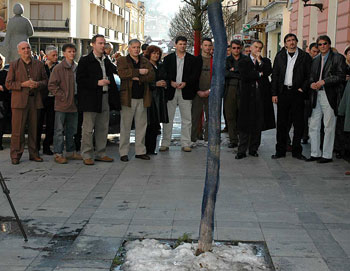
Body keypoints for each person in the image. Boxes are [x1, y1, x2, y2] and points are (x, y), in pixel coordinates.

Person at [76, 34, 118, 165]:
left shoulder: (106, 60)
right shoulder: (85, 60)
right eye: (100, 43)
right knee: (88, 128)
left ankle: (101, 153)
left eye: (104, 43)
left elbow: (115, 71)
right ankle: (87, 154)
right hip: (90, 98)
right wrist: (96, 82)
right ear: (93, 44)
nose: (102, 46)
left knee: (103, 127)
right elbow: (80, 80)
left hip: (104, 97)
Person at [5, 41, 48, 165]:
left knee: (34, 129)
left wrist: (37, 84)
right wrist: (22, 84)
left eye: (28, 48)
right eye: (23, 48)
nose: (26, 50)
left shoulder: (39, 64)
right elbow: (8, 84)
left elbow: (46, 81)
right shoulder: (14, 65)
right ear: (19, 51)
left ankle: (34, 154)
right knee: (17, 130)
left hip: (34, 101)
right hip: (19, 102)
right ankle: (15, 155)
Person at [271, 33, 312, 160]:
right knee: (282, 124)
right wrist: (274, 93)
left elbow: (309, 75)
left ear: (297, 41)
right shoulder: (280, 56)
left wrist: (302, 88)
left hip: (297, 93)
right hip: (283, 92)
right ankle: (280, 151)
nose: (291, 42)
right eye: (288, 40)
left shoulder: (304, 56)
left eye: (293, 40)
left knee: (298, 123)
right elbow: (275, 76)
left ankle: (297, 151)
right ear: (285, 43)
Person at [307, 35, 346, 163]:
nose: (322, 46)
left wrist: (324, 81)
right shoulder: (316, 59)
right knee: (313, 125)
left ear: (329, 44)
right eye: (320, 44)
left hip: (330, 95)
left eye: (325, 44)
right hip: (315, 94)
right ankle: (315, 153)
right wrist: (312, 83)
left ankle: (327, 155)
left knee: (329, 125)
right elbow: (311, 76)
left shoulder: (338, 58)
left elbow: (340, 76)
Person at [235, 40, 275, 159]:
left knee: (258, 123)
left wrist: (259, 62)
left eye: (260, 48)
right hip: (247, 96)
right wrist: (258, 74)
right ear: (251, 48)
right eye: (256, 47)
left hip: (261, 96)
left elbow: (267, 72)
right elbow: (244, 75)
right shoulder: (243, 61)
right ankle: (242, 150)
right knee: (245, 123)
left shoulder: (265, 61)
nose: (257, 49)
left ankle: (254, 148)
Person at [117, 39, 155, 162]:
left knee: (141, 126)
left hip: (142, 98)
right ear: (129, 48)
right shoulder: (122, 60)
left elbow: (151, 75)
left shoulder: (144, 60)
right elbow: (122, 73)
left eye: (138, 47)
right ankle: (123, 152)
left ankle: (140, 151)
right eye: (134, 47)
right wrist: (139, 72)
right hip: (128, 98)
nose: (136, 49)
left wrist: (137, 78)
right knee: (125, 127)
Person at [160, 36, 197, 152]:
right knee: (168, 119)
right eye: (180, 44)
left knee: (187, 119)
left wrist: (186, 83)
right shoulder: (168, 59)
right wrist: (170, 82)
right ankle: (165, 143)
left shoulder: (192, 59)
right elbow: (164, 73)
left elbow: (194, 76)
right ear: (175, 45)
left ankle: (186, 143)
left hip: (185, 91)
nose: (183, 46)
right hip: (171, 90)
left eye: (184, 44)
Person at [48, 43, 82, 164]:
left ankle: (71, 151)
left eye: (73, 51)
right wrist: (62, 96)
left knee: (72, 130)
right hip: (62, 103)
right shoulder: (58, 68)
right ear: (64, 53)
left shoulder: (77, 67)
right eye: (69, 51)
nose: (72, 53)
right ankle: (58, 153)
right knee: (59, 130)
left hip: (74, 103)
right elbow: (51, 85)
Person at [144, 45, 169, 155]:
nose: (156, 55)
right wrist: (156, 84)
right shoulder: (146, 65)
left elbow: (166, 77)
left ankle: (152, 149)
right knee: (149, 124)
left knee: (155, 125)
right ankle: (146, 149)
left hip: (159, 98)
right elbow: (144, 82)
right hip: (150, 98)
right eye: (153, 53)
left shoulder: (161, 65)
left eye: (158, 53)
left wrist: (165, 83)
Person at [191, 38, 213, 146]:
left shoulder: (214, 60)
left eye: (209, 45)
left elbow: (217, 77)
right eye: (205, 45)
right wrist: (198, 90)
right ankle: (193, 138)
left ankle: (207, 138)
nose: (207, 48)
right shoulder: (195, 60)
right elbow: (192, 77)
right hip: (197, 92)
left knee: (210, 116)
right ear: (201, 46)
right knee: (195, 116)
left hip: (211, 93)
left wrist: (210, 90)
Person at [37, 45, 58, 155]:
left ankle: (47, 146)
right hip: (42, 98)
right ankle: (36, 146)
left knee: (51, 124)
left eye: (56, 55)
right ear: (47, 56)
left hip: (53, 99)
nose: (55, 57)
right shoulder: (41, 67)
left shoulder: (58, 67)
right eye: (53, 55)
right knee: (38, 123)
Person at [225, 40, 245, 148]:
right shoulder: (227, 60)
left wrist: (233, 72)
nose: (236, 50)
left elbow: (246, 74)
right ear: (231, 48)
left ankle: (242, 139)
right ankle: (233, 140)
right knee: (230, 115)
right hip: (230, 89)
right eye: (234, 48)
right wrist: (236, 72)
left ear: (241, 48)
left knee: (242, 116)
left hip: (243, 90)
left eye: (238, 48)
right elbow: (224, 73)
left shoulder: (245, 59)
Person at [0, 53, 9, 150]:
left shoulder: (5, 73)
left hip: (2, 102)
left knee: (1, 123)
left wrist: (2, 87)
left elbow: (8, 86)